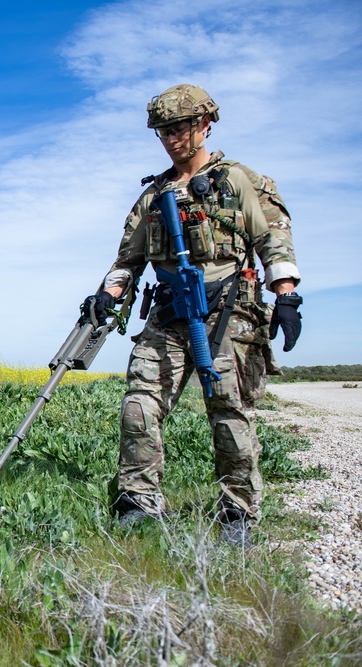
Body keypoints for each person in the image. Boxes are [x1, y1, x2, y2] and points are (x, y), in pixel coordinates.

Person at [81, 84, 302, 547]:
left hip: (228, 308)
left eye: (179, 128)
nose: (171, 138)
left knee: (228, 409)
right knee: (139, 402)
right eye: (163, 131)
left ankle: (237, 510)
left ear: (204, 125)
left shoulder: (239, 180)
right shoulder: (152, 197)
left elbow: (273, 239)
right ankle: (139, 502)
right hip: (169, 311)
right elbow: (128, 259)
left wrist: (285, 295)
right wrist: (107, 294)